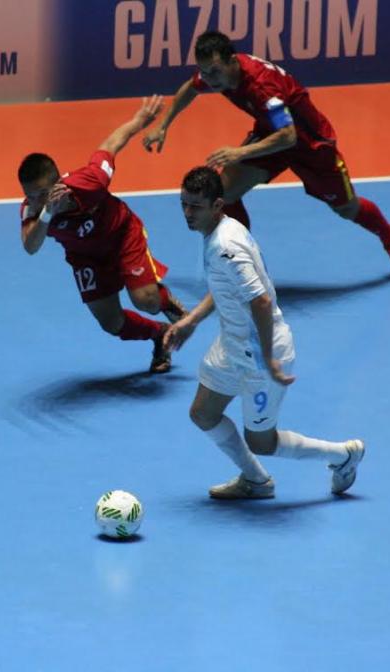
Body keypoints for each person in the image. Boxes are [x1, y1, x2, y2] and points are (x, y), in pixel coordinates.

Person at [143, 31, 390, 280]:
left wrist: (239, 153)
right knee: (224, 192)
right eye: (204, 71)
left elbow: (288, 136)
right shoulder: (220, 74)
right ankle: (243, 260)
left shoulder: (262, 86)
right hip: (270, 135)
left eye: (214, 71)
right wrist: (163, 125)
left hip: (310, 145)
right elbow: (191, 87)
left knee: (347, 207)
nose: (209, 79)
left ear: (231, 61)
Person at [164, 167, 364, 498]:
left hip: (260, 354)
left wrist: (269, 359)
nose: (187, 213)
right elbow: (228, 289)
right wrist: (192, 321)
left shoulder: (226, 247)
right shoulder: (221, 231)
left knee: (262, 441)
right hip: (233, 345)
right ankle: (256, 481)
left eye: (195, 206)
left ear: (217, 204)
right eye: (183, 203)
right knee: (203, 412)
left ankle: (344, 455)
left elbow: (260, 300)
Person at [18, 95, 187, 374]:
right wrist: (46, 211)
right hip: (86, 258)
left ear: (58, 183)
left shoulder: (89, 181)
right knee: (111, 323)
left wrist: (138, 122)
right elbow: (30, 246)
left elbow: (109, 146)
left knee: (146, 301)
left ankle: (166, 302)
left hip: (121, 235)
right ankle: (159, 334)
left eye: (41, 194)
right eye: (29, 195)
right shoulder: (34, 212)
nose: (34, 200)